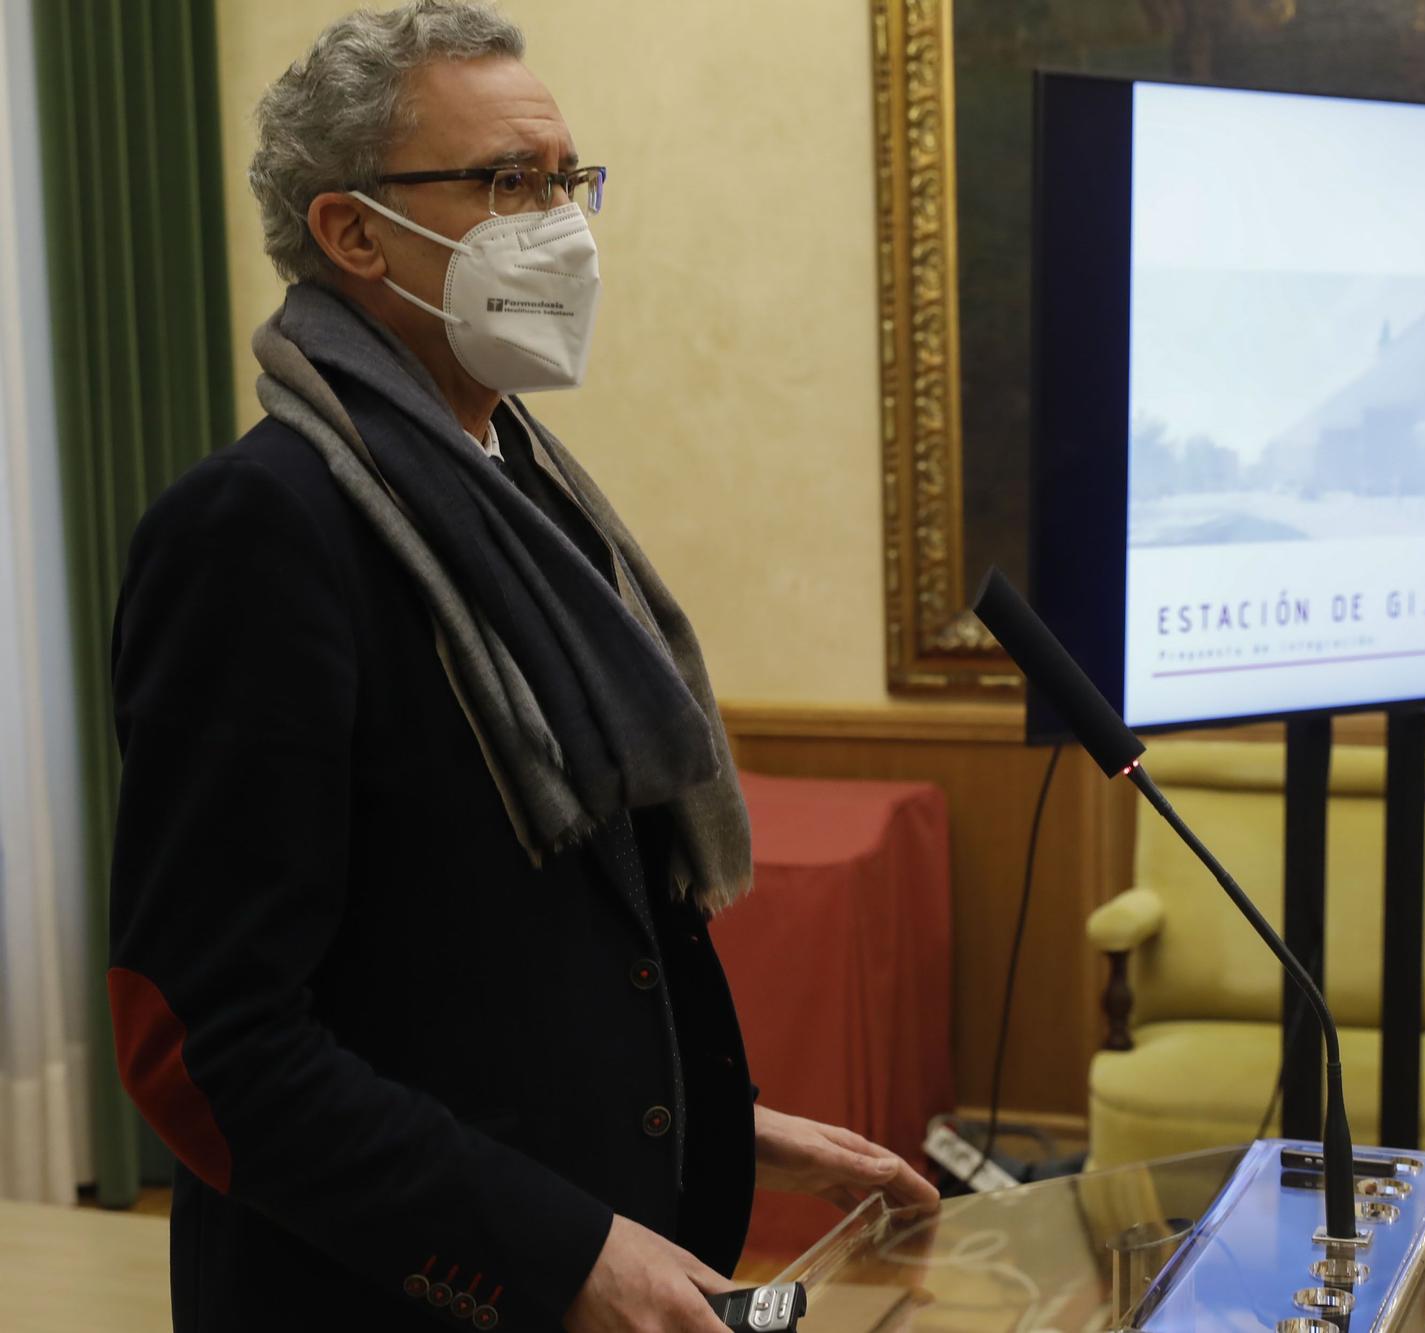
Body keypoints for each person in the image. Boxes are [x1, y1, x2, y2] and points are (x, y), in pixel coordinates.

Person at [104, 5, 936, 1331]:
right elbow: (208, 1043)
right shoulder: (259, 532)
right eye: (507, 182)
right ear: (353, 232)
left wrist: (723, 1121)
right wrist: (557, 1251)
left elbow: (518, 957)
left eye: (566, 178)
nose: (561, 223)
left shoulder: (530, 498)